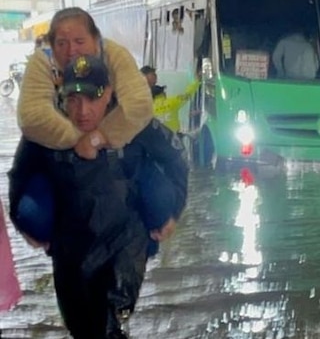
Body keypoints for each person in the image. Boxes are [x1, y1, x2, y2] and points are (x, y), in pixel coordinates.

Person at [8, 54, 189, 339]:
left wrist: (174, 210)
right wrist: (24, 223)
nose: (82, 110)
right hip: (70, 245)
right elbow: (19, 173)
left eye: (92, 98)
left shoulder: (132, 122)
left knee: (107, 324)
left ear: (108, 94)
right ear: (62, 96)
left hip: (126, 239)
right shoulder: (45, 127)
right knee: (81, 328)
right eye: (74, 99)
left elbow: (176, 157)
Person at [18, 7, 153, 160]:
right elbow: (31, 116)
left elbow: (140, 104)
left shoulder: (115, 55)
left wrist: (101, 136)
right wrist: (81, 139)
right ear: (52, 46)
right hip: (54, 148)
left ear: (96, 40)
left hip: (114, 143)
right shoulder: (43, 61)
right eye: (61, 44)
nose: (71, 51)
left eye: (79, 42)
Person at [141, 66, 201, 133]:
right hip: (172, 137)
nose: (155, 80)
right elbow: (187, 95)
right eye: (153, 76)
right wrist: (197, 81)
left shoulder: (147, 109)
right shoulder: (172, 102)